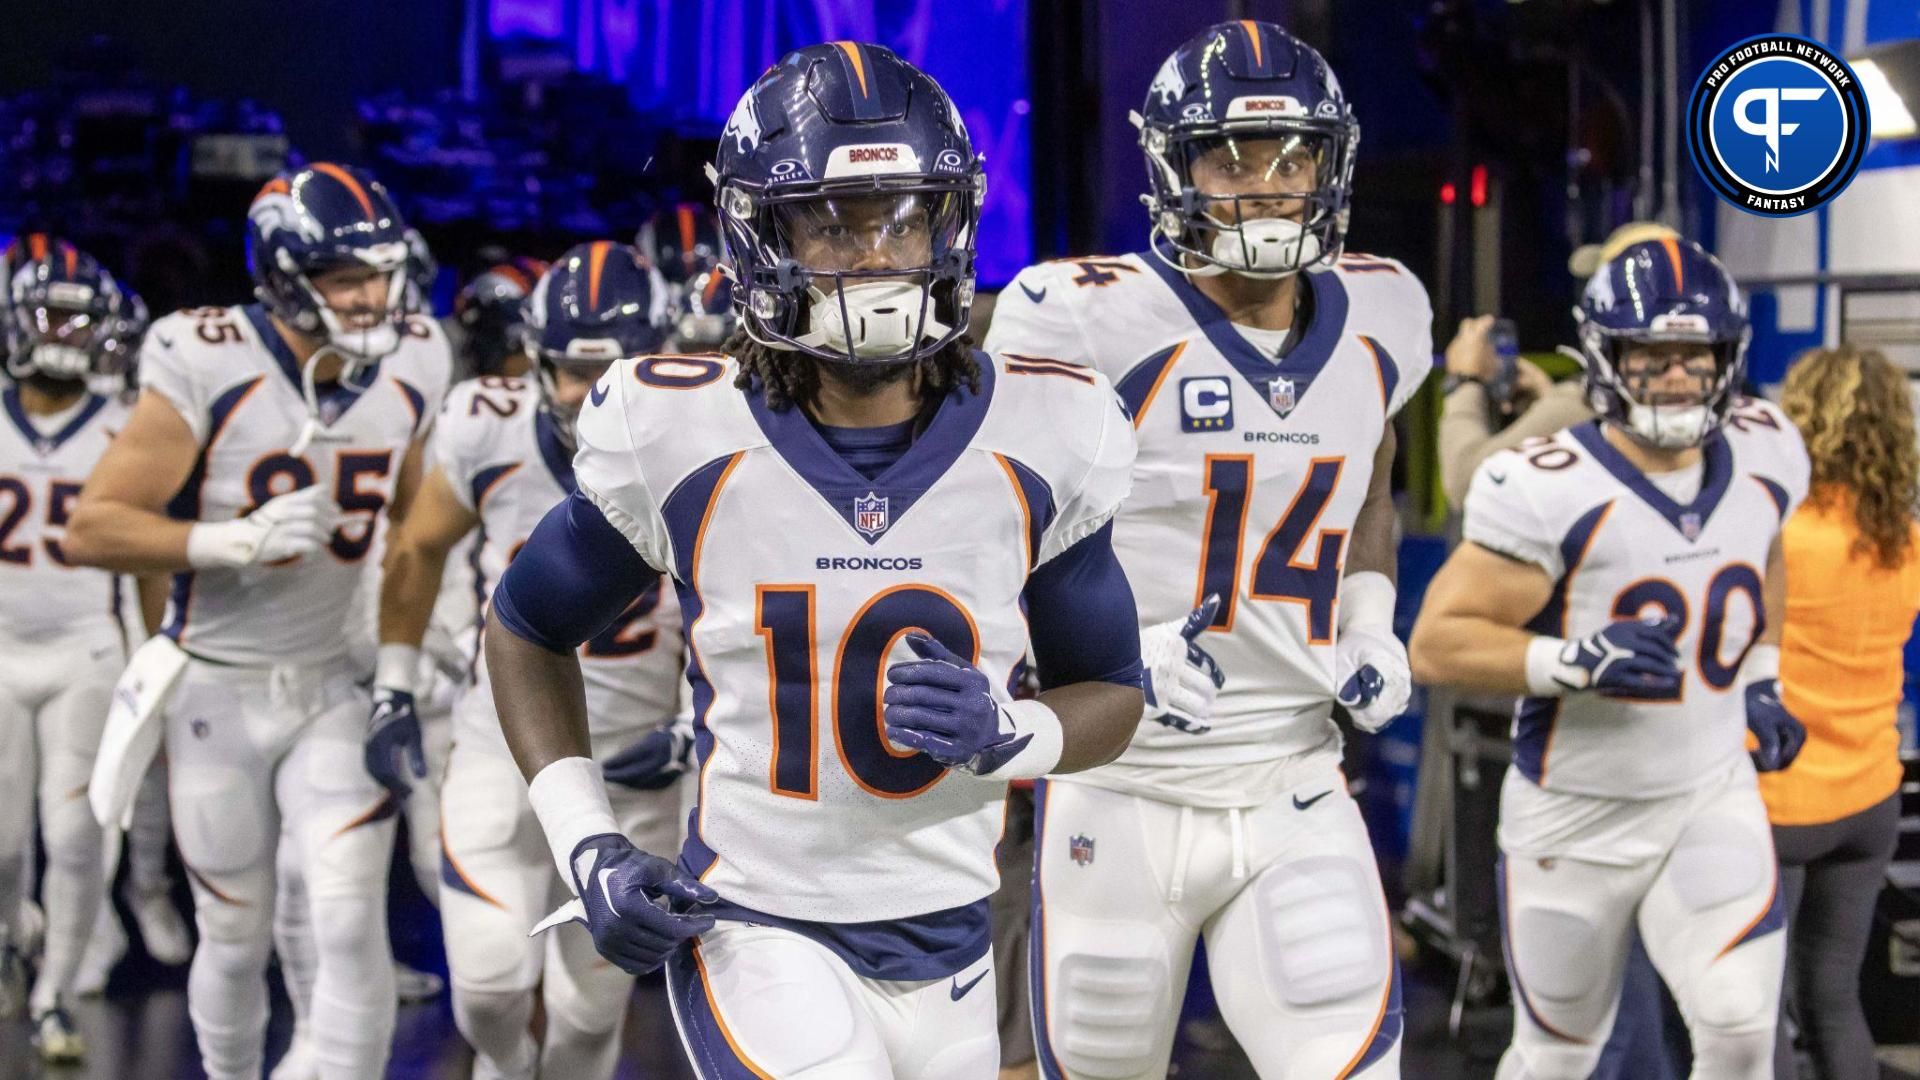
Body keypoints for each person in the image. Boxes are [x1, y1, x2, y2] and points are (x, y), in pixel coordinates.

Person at [485, 42, 1146, 1076]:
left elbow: (1112, 690)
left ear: (950, 223)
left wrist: (1016, 729)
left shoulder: (1052, 426)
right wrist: (587, 841)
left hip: (955, 939)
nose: (875, 254)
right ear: (760, 233)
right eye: (830, 223)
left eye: (903, 216)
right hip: (759, 925)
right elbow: (526, 627)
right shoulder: (675, 426)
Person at [985, 21, 1426, 1076]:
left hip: (1296, 782)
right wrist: (1106, 648)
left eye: (1293, 157)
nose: (1268, 184)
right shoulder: (1086, 319)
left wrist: (1369, 615)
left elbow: (1372, 463)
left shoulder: (1385, 308)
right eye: (1230, 155)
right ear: (1174, 168)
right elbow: (981, 525)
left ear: (1332, 164)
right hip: (1119, 784)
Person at [65, 162, 453, 1080]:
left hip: (331, 682)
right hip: (218, 688)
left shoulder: (418, 354)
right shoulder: (206, 355)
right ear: (283, 278)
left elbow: (412, 532)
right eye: (343, 278)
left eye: (381, 273)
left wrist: (399, 662)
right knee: (234, 936)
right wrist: (222, 542)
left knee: (349, 907)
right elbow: (90, 527)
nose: (372, 298)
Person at [1408, 237, 1809, 1080]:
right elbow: (1437, 641)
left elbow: (1765, 551)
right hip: (1576, 814)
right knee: (1560, 1054)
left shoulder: (1769, 445)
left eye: (1692, 354)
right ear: (1605, 358)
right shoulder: (1548, 481)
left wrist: (1764, 675)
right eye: (1648, 354)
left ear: (1726, 357)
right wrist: (1570, 660)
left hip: (1708, 791)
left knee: (1741, 1035)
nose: (1673, 375)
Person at [378, 240, 686, 1079]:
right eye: (570, 372)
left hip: (637, 759)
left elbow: (745, 599)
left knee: (590, 1021)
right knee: (485, 989)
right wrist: (393, 684)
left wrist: (696, 726)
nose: (586, 397)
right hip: (501, 744)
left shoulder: (703, 435)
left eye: (610, 371)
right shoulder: (488, 422)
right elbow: (417, 546)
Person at [0, 236, 149, 1061]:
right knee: (2, 843)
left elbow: (148, 554)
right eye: (50, 312)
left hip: (88, 649)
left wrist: (153, 654)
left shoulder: (126, 426)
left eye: (77, 318)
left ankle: (56, 994)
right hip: (0, 646)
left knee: (78, 835)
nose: (62, 330)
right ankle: (8, 939)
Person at [1764, 346, 1919, 1080]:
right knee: (1832, 1001)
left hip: (1781, 803)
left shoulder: (1777, 536)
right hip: (1870, 801)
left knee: (1759, 1012)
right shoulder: (1904, 543)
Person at [1436, 222, 1680, 509]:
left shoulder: (1587, 403)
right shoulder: (1708, 391)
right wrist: (1548, 399)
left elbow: (1468, 484)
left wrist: (1466, 381)